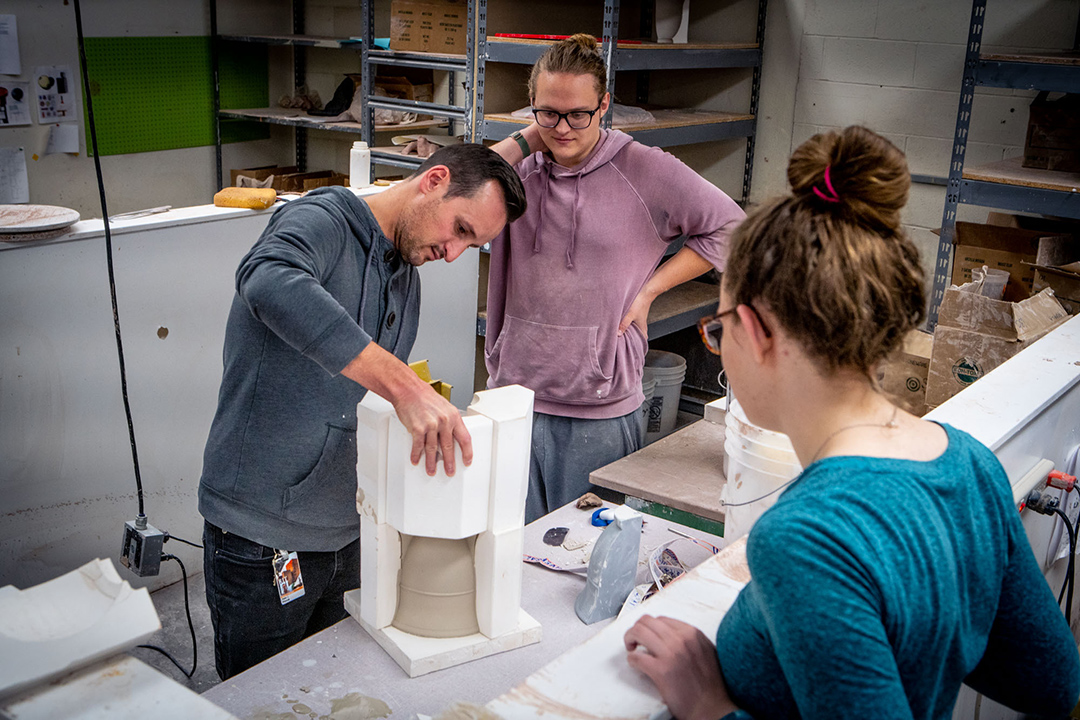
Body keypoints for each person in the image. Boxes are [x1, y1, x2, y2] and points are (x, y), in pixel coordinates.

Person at [622, 126, 1080, 719]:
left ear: (759, 333)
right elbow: (1049, 682)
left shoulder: (805, 537)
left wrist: (709, 705)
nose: (719, 342)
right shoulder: (967, 463)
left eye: (720, 323)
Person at [198, 144, 527, 680]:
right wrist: (404, 387)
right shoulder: (322, 220)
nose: (455, 253)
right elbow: (266, 277)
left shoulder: (404, 272)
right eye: (461, 229)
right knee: (260, 697)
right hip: (263, 537)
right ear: (434, 180)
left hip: (350, 530)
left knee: (332, 687)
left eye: (475, 244)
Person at [488, 34, 746, 523]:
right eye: (548, 113)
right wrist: (526, 139)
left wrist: (652, 288)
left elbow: (733, 228)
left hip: (598, 409)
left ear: (604, 105)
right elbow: (446, 182)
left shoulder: (644, 169)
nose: (563, 129)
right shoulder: (515, 169)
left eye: (578, 114)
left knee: (583, 562)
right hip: (513, 398)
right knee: (509, 562)